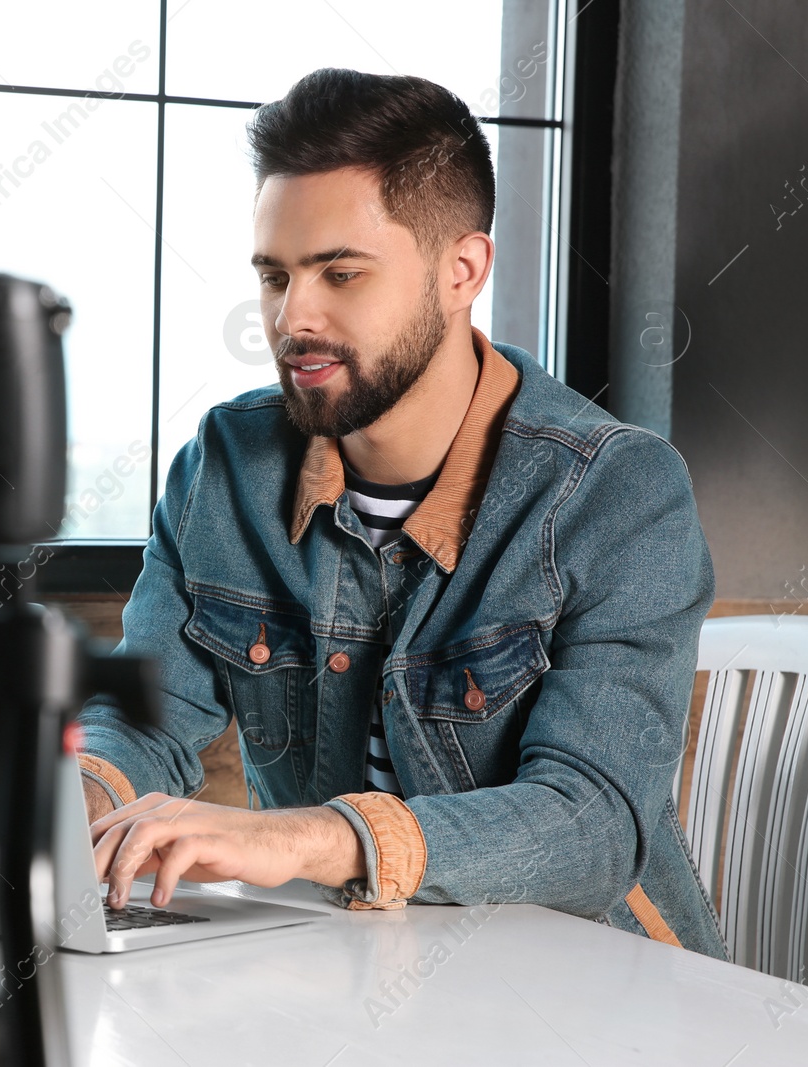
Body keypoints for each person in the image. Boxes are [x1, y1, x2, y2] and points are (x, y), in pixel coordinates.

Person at [75, 68, 727, 959]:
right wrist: (87, 795)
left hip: (599, 988)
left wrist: (314, 838)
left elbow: (595, 822)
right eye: (275, 276)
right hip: (345, 968)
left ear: (462, 271)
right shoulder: (224, 465)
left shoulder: (618, 493)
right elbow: (147, 713)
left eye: (340, 274)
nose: (291, 316)